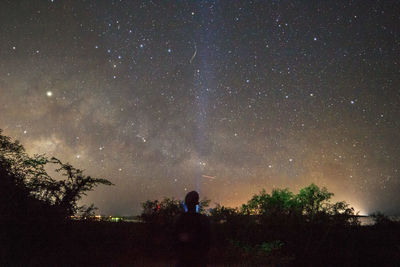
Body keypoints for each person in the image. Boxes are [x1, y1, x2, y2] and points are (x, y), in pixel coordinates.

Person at [173, 191, 211, 267]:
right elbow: (208, 240)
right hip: (198, 259)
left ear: (186, 204)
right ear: (197, 203)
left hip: (184, 259)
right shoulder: (203, 219)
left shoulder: (179, 219)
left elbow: (173, 238)